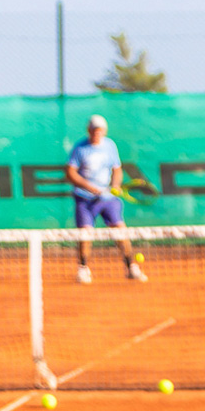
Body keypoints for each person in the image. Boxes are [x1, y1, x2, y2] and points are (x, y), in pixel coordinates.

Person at [65, 114, 146, 284]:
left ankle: (131, 266)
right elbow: (70, 172)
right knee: (85, 233)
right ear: (89, 130)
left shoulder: (110, 146)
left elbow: (117, 170)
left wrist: (115, 185)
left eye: (100, 130)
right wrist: (89, 187)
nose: (97, 133)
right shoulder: (80, 148)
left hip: (108, 199)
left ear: (104, 131)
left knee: (120, 229)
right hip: (85, 198)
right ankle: (83, 268)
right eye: (94, 130)